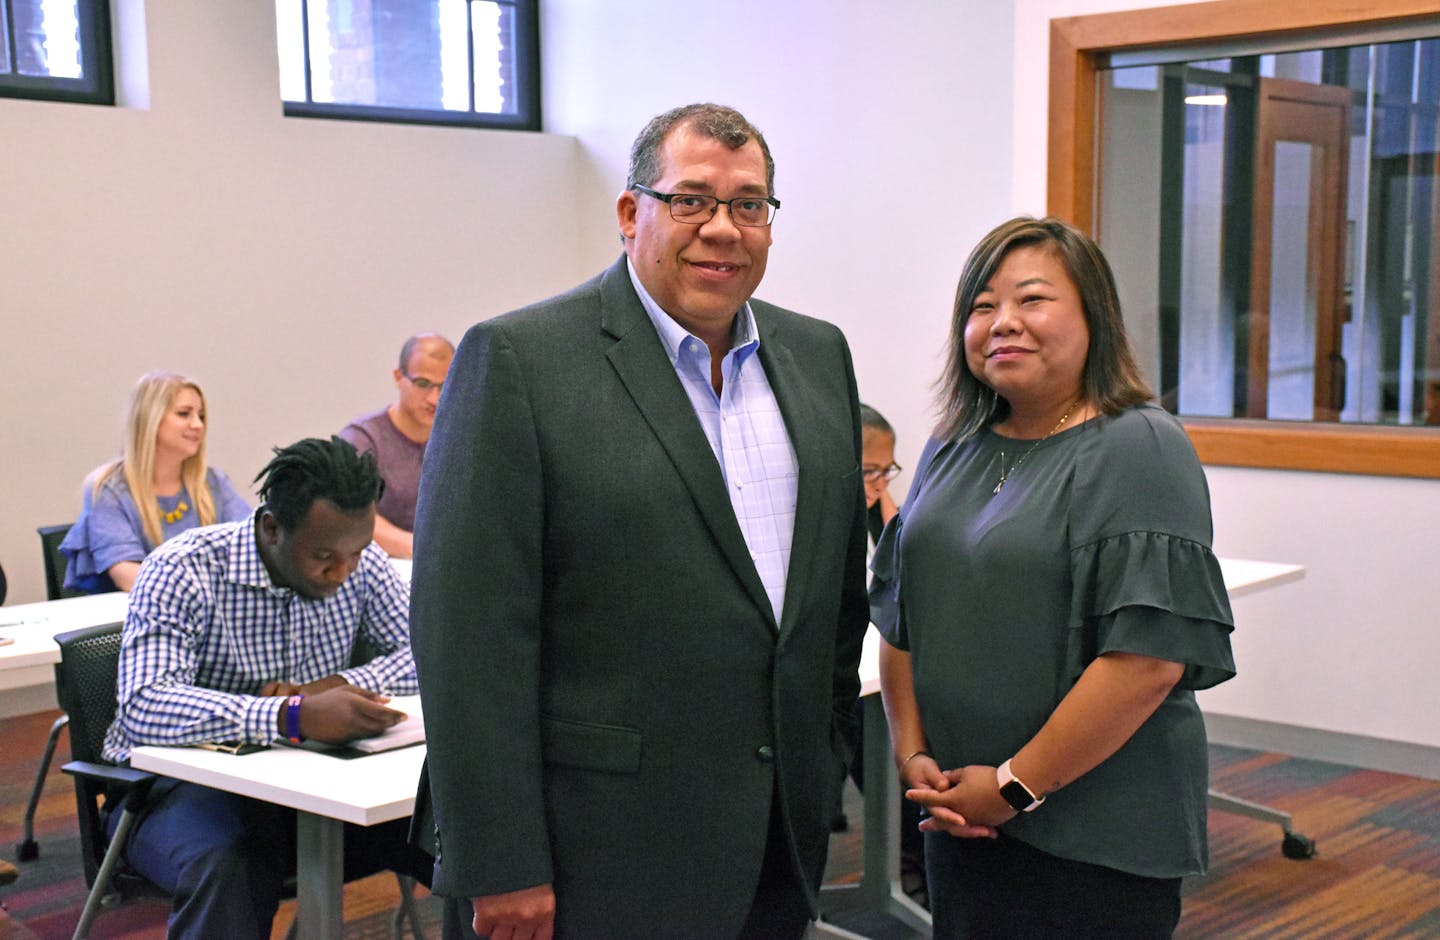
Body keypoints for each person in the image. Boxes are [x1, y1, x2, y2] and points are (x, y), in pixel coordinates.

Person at [410, 102, 870, 939]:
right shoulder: (520, 360)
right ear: (632, 214)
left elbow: (834, 599)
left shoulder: (818, 355)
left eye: (749, 205)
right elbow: (468, 637)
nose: (723, 229)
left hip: (778, 835)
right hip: (595, 850)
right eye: (691, 200)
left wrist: (825, 752)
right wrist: (500, 858)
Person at [871, 217, 1237, 938]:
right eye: (981, 306)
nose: (1003, 322)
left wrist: (1011, 787)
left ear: (1093, 316)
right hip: (959, 813)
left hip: (1091, 833)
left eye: (1032, 299)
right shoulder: (954, 444)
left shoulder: (1139, 447)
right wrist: (914, 758)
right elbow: (902, 615)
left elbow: (1146, 660)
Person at [102, 436, 433, 940]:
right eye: (324, 555)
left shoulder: (357, 561)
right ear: (272, 527)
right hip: (182, 791)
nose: (343, 572)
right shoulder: (184, 568)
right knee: (230, 861)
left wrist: (333, 686)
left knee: (455, 830)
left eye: (357, 553)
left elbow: (423, 654)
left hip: (314, 784)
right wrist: (290, 716)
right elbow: (144, 705)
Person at [61, 370, 252, 592]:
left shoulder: (213, 482)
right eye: (184, 414)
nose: (198, 425)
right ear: (149, 419)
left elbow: (253, 546)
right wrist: (201, 590)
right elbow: (127, 575)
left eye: (201, 416)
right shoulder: (108, 489)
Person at [339, 333, 455, 559]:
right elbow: (351, 515)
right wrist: (424, 551)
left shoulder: (460, 436)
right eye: (423, 384)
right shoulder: (363, 438)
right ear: (398, 377)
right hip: (383, 569)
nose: (434, 398)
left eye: (445, 385)